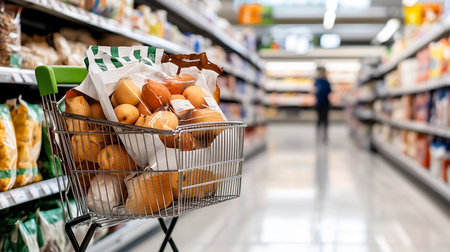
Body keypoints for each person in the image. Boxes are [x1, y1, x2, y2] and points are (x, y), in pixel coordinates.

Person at [313, 66, 332, 142]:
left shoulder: (324, 82)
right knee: (319, 119)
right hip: (319, 103)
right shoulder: (318, 81)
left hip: (325, 103)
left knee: (325, 120)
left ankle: (324, 135)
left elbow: (328, 91)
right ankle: (319, 134)